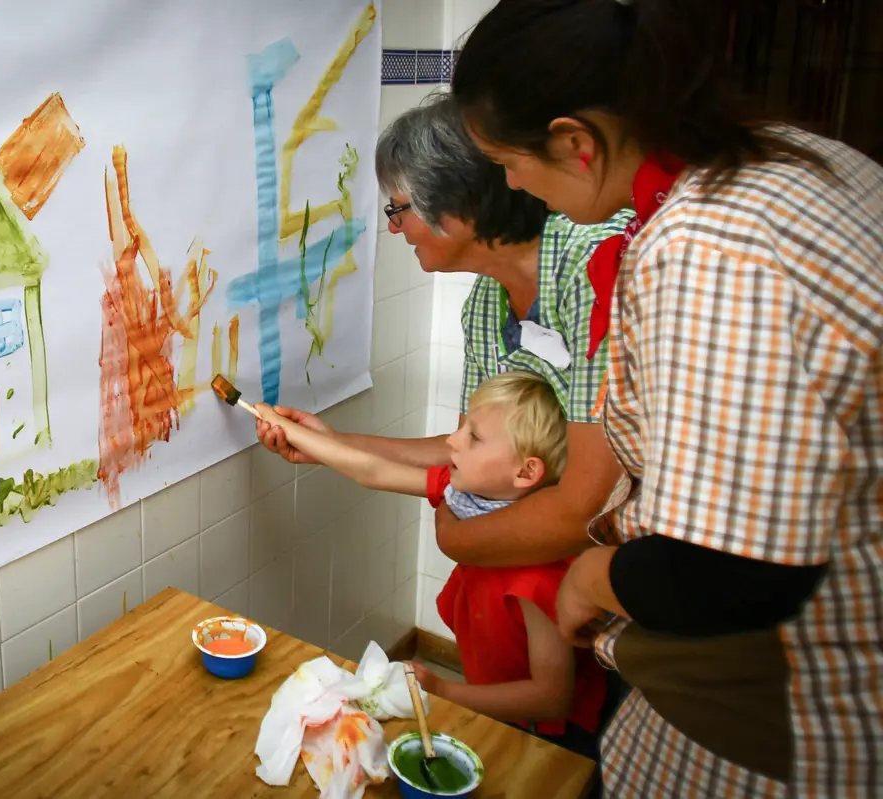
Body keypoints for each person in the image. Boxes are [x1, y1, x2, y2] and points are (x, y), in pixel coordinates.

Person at [450, 1, 883, 796]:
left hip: (787, 718)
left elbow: (734, 569)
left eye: (508, 163)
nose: (510, 186)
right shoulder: (794, 159)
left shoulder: (705, 246)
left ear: (576, 143)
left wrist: (595, 576)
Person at [257, 93, 631, 569]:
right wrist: (330, 444)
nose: (396, 230)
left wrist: (456, 538)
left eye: (398, 210)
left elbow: (588, 501)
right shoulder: (484, 308)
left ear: (455, 205)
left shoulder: (592, 269)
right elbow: (462, 451)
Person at [256, 371, 607, 760]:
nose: (453, 440)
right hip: (493, 702)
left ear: (526, 472)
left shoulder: (543, 577)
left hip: (558, 740)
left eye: (473, 436)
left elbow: (550, 699)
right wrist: (309, 437)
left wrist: (443, 690)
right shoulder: (470, 497)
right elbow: (371, 471)